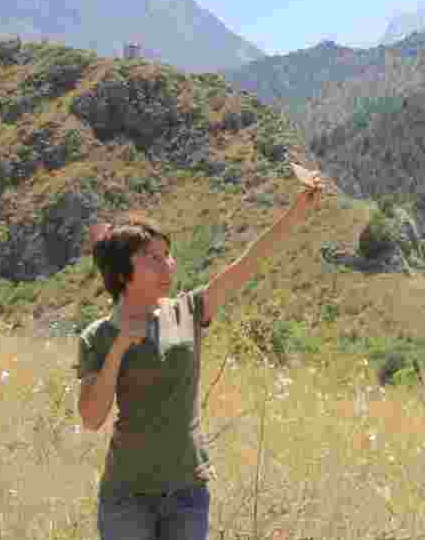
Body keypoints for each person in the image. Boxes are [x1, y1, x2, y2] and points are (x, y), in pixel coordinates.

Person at [76, 164, 327, 540]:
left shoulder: (187, 312)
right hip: (126, 497)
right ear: (124, 273)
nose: (168, 266)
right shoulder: (97, 336)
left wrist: (296, 212)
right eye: (154, 258)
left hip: (187, 494)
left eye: (168, 255)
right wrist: (119, 349)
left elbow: (247, 264)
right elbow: (93, 419)